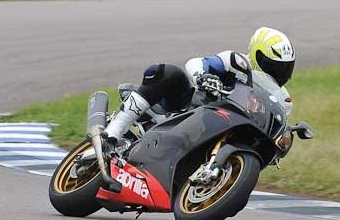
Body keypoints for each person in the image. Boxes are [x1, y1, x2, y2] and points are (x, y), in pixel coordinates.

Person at [103, 27, 296, 155]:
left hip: (233, 130)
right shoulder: (236, 61)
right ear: (256, 55)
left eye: (285, 68)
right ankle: (114, 132)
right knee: (170, 73)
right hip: (193, 108)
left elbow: (273, 124)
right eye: (274, 66)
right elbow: (195, 63)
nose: (280, 73)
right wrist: (203, 76)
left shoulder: (284, 99)